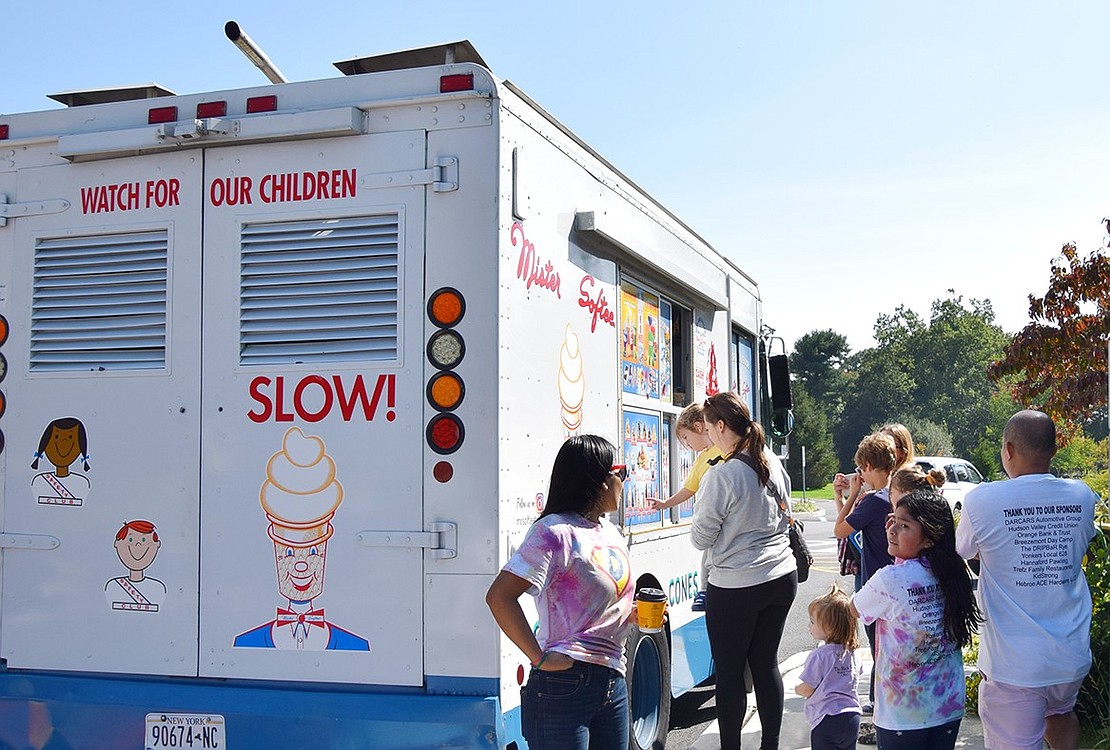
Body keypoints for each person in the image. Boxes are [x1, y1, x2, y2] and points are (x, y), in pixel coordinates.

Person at [955, 409, 1098, 750]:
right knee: (1060, 714)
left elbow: (964, 550)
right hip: (1069, 654)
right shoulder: (1081, 495)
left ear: (1008, 449)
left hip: (1013, 664)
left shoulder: (982, 500)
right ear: (1054, 448)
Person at [485, 435, 634, 750]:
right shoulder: (553, 533)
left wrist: (631, 615)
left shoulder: (611, 532)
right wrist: (538, 658)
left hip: (612, 680)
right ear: (601, 482)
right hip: (563, 684)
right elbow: (500, 597)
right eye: (621, 473)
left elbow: (601, 606)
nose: (624, 481)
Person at [691, 391, 796, 750]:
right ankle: (770, 744)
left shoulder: (722, 476)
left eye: (707, 428)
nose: (706, 436)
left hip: (736, 585)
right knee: (766, 665)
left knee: (731, 673)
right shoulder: (771, 462)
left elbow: (701, 537)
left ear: (721, 427)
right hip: (781, 576)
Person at [852, 487, 981, 749]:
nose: (891, 530)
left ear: (930, 538)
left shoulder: (890, 579)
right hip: (947, 704)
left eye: (904, 526)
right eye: (892, 521)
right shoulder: (953, 573)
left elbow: (855, 609)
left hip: (902, 713)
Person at [833, 432, 897, 715]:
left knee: (879, 650)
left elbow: (840, 530)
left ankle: (882, 705)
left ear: (870, 466)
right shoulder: (896, 496)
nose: (860, 474)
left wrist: (854, 494)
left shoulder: (872, 502)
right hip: (899, 581)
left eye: (861, 469)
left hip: (877, 586)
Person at [647, 401, 724, 611]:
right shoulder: (701, 460)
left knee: (711, 556)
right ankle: (705, 590)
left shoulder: (724, 449)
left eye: (686, 438)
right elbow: (688, 489)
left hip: (724, 518)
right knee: (707, 556)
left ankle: (708, 591)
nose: (686, 445)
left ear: (699, 427)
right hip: (709, 521)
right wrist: (666, 504)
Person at [796, 584, 863, 750]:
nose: (809, 626)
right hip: (852, 716)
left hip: (826, 719)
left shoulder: (819, 655)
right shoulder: (852, 653)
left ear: (830, 628)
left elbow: (808, 688)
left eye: (812, 622)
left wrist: (798, 689)